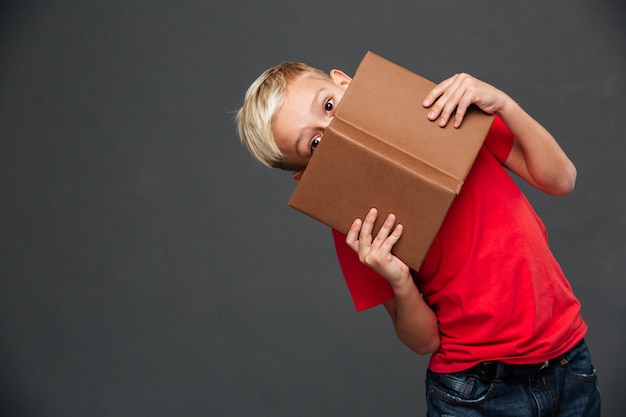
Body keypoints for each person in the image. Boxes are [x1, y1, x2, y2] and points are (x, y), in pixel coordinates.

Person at [235, 60, 601, 416]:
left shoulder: (443, 114)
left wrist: (503, 103)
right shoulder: (354, 226)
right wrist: (398, 279)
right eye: (314, 143)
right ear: (307, 176)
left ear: (345, 82)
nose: (335, 130)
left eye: (329, 106)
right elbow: (425, 341)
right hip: (473, 391)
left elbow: (561, 180)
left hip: (568, 359)